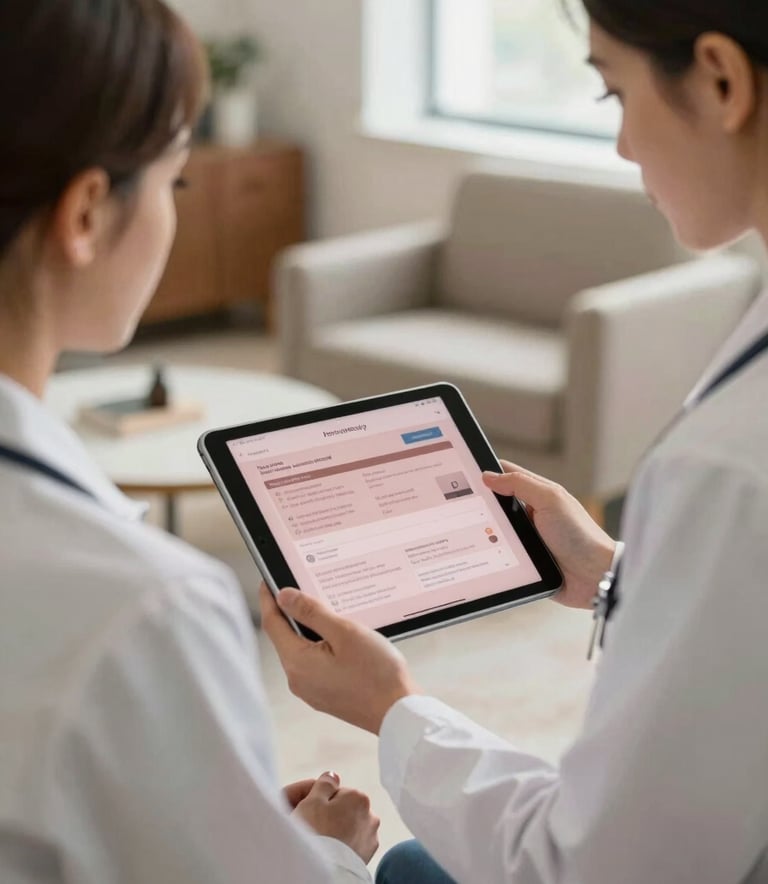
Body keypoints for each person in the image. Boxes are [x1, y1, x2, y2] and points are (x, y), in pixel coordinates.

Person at [261, 1, 768, 881]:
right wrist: (613, 577)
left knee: (386, 866)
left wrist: (393, 707)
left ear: (722, 80)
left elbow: (589, 867)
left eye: (615, 93)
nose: (624, 146)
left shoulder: (727, 467)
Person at [0, 2, 381, 882]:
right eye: (175, 182)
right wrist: (327, 855)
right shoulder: (143, 608)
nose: (173, 211)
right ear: (86, 213)